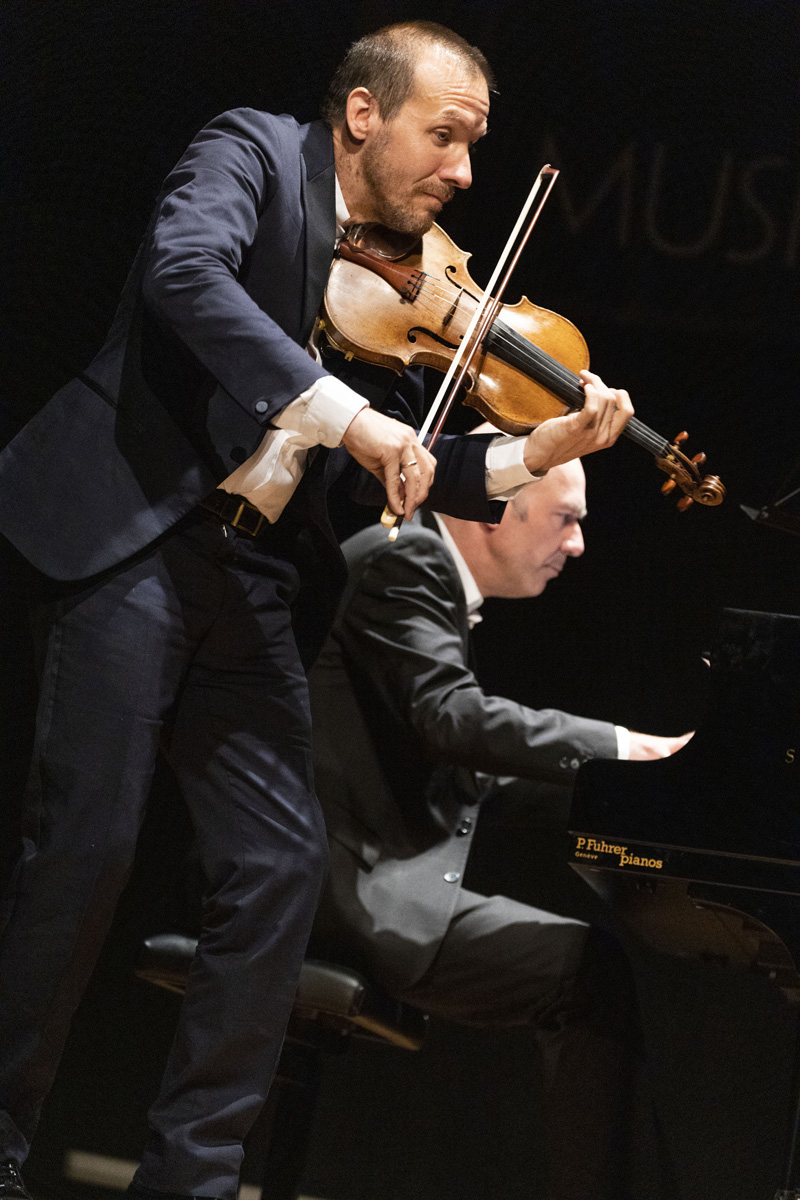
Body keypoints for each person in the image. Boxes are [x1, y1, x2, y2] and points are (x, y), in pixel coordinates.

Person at [0, 22, 636, 1200]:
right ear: (360, 114)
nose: (462, 172)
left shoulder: (413, 280)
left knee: (279, 866)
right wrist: (356, 418)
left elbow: (422, 466)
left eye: (472, 146)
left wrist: (533, 451)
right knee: (87, 844)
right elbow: (184, 275)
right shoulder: (249, 153)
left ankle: (190, 1181)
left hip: (254, 581)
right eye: (443, 137)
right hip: (144, 537)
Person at [307, 452, 690, 1198]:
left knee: (592, 969)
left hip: (355, 875)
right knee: (587, 973)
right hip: (335, 889)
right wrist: (623, 748)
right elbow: (453, 719)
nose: (577, 543)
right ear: (494, 508)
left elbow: (469, 773)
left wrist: (628, 798)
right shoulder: (406, 558)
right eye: (566, 518)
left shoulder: (420, 570)